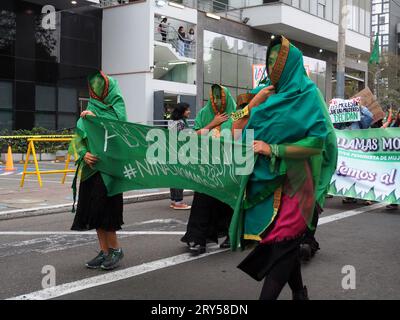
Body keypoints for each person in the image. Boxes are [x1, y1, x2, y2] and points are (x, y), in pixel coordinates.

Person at [230, 36, 336, 300]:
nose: (273, 64)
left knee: (285, 244)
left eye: (279, 59)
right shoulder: (265, 92)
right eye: (271, 59)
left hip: (298, 184)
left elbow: (319, 141)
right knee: (282, 245)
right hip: (265, 184)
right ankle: (300, 294)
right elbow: (233, 130)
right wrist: (253, 104)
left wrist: (272, 148)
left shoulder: (309, 93)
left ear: (291, 63)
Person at [71, 70, 127, 271]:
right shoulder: (90, 108)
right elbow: (77, 138)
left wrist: (97, 118)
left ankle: (116, 250)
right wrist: (83, 153)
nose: (96, 91)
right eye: (93, 87)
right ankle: (104, 251)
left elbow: (119, 130)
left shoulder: (117, 106)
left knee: (107, 211)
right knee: (94, 212)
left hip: (109, 171)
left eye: (99, 86)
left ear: (107, 86)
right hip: (90, 171)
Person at [180, 84, 237, 255]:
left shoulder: (236, 114)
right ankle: (197, 239)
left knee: (229, 203)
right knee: (202, 202)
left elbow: (243, 138)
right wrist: (213, 124)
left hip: (230, 168)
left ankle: (232, 235)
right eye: (215, 96)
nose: (218, 100)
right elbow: (192, 137)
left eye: (221, 97)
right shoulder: (205, 113)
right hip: (207, 167)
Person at [168, 103, 192, 210]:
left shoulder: (173, 122)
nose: (189, 111)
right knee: (179, 177)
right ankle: (178, 202)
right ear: (182, 112)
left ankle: (174, 200)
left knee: (173, 177)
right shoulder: (181, 123)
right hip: (178, 153)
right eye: (187, 110)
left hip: (172, 152)